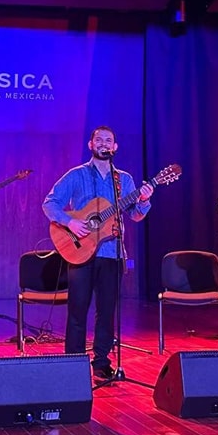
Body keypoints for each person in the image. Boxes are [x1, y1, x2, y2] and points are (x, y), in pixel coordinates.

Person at [42, 126, 154, 381]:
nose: (104, 144)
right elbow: (49, 203)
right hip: (79, 251)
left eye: (109, 141)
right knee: (77, 309)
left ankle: (102, 362)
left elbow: (135, 215)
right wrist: (69, 223)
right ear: (90, 145)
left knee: (107, 311)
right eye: (99, 139)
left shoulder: (123, 179)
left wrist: (145, 199)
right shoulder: (76, 175)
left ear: (115, 148)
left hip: (111, 253)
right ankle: (73, 363)